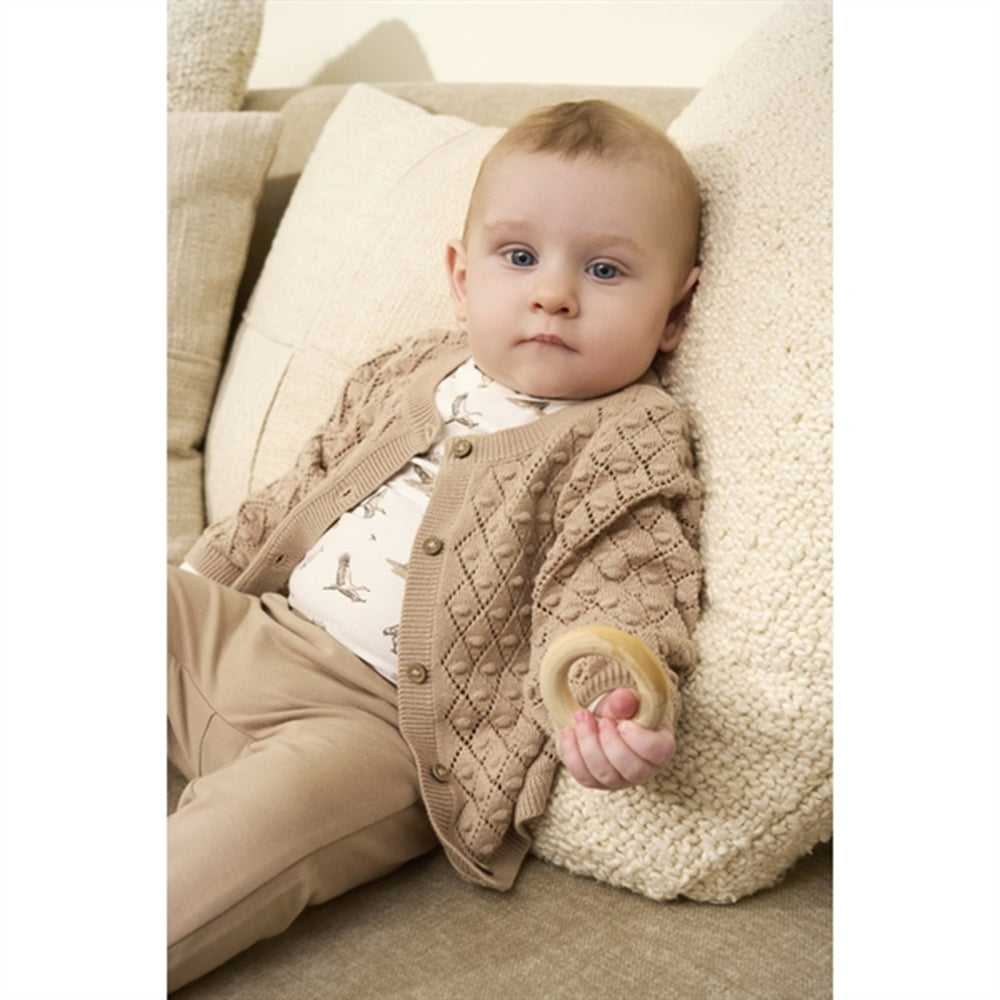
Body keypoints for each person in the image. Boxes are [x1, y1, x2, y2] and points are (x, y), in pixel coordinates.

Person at [168, 98, 704, 990]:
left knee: (258, 831)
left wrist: (607, 698)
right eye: (519, 257)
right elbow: (292, 494)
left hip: (376, 730)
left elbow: (622, 577)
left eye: (605, 269)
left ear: (675, 314)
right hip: (246, 631)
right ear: (462, 278)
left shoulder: (628, 434)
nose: (553, 293)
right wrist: (194, 586)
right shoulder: (409, 369)